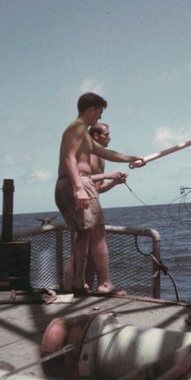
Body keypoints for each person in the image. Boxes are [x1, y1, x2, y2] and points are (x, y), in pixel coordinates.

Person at [55, 92, 144, 295]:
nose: (100, 118)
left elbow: (106, 152)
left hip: (69, 183)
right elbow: (69, 158)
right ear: (92, 109)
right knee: (98, 233)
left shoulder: (83, 133)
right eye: (99, 112)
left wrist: (134, 157)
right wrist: (79, 188)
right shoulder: (77, 128)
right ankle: (105, 284)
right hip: (77, 182)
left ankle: (78, 283)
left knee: (84, 234)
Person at [83, 122, 127, 289]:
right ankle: (78, 286)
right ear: (96, 136)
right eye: (107, 134)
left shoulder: (101, 157)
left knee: (94, 253)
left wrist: (114, 182)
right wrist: (107, 174)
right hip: (82, 206)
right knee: (81, 251)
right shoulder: (86, 154)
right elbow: (80, 179)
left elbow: (98, 188)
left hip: (94, 204)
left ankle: (88, 286)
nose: (110, 137)